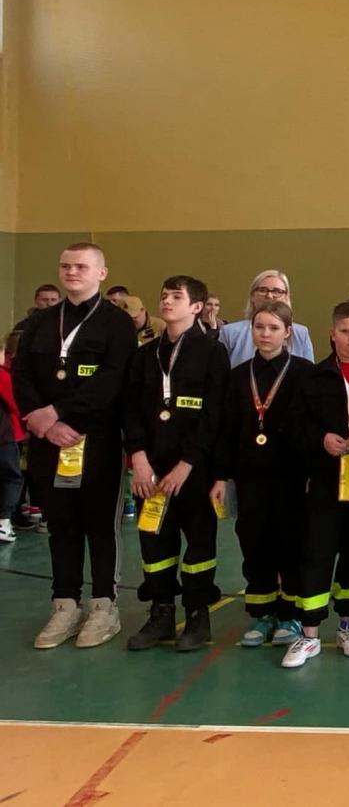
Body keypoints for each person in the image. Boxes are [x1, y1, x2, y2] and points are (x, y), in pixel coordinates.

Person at [14, 243, 137, 650]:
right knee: (61, 524)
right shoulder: (40, 322)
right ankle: (64, 604)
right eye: (65, 265)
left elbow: (113, 379)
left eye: (81, 266)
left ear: (101, 273)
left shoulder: (117, 324)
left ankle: (104, 605)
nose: (71, 272)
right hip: (49, 442)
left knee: (100, 525)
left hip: (96, 440)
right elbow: (21, 373)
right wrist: (43, 421)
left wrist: (62, 413)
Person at [281, 298, 349, 668]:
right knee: (316, 551)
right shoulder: (312, 378)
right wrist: (321, 439)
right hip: (326, 481)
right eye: (345, 331)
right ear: (332, 335)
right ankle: (309, 634)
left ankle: (348, 625)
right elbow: (294, 427)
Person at [124, 276, 231, 652]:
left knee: (199, 544)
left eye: (176, 296)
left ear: (197, 307)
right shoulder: (145, 355)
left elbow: (214, 415)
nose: (167, 301)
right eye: (164, 295)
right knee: (154, 543)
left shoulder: (213, 353)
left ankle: (198, 616)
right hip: (151, 471)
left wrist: (188, 463)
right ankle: (161, 613)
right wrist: (138, 458)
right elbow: (131, 411)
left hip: (194, 471)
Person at [210, 299, 314, 649]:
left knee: (291, 543)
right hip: (250, 477)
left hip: (291, 477)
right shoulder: (238, 376)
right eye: (259, 327)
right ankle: (261, 613)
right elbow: (225, 430)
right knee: (254, 542)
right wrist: (221, 476)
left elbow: (312, 427)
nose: (265, 334)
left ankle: (290, 614)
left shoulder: (303, 373)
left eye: (273, 328)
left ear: (288, 332)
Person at [218, 270, 316, 366]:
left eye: (277, 291)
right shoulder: (230, 333)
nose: (269, 296)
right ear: (252, 296)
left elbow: (309, 372)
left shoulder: (301, 334)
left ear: (287, 297)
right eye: (263, 290)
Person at [0, 333, 25, 544]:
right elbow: (16, 403)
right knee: (11, 478)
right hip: (4, 437)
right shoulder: (3, 375)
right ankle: (3, 522)